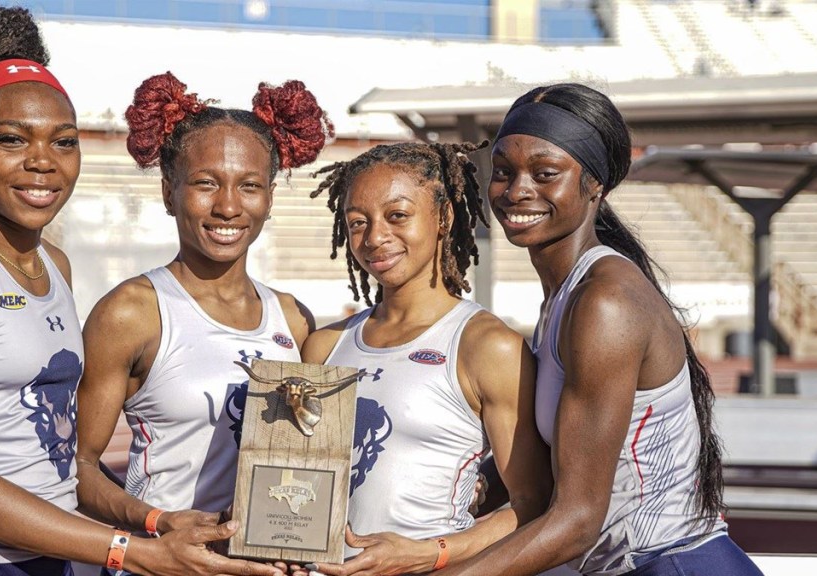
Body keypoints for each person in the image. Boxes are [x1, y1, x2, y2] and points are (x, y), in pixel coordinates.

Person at [0, 5, 281, 576]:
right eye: (12, 139)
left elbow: (62, 462)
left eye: (64, 142)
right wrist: (136, 552)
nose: (42, 162)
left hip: (49, 559)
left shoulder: (52, 264)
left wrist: (155, 520)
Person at [438, 84, 763, 576]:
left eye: (546, 174)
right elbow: (545, 467)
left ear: (596, 185)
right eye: (503, 172)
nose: (516, 190)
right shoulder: (563, 296)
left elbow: (578, 520)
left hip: (674, 565)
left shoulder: (604, 303)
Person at [73, 71, 332, 571]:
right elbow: (76, 464)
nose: (229, 206)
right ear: (169, 192)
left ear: (271, 198)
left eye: (250, 186)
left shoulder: (294, 319)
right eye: (206, 183)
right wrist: (156, 523)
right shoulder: (132, 311)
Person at [296, 142, 547, 575]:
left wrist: (430, 553)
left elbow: (533, 502)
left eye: (397, 216)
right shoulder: (324, 347)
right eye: (358, 222)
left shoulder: (487, 345)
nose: (375, 237)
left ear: (443, 217)